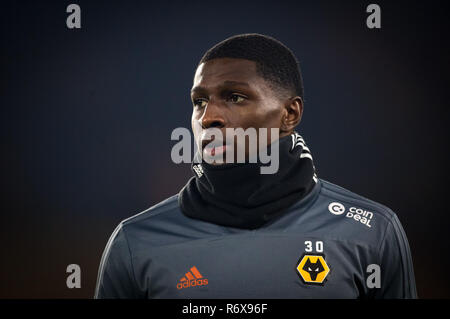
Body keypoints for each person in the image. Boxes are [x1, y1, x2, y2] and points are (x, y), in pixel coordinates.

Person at [94, 33, 417, 298]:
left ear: (289, 115)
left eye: (234, 97)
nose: (208, 118)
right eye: (199, 102)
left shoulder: (372, 232)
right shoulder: (136, 242)